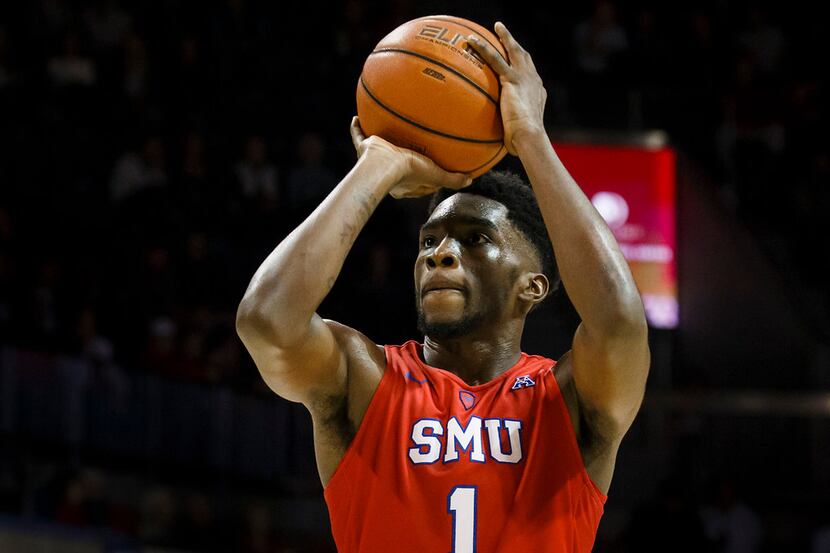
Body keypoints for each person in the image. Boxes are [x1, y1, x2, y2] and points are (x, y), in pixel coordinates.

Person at [236, 21, 650, 553]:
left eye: (476, 239)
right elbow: (265, 321)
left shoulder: (566, 398)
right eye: (429, 241)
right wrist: (378, 166)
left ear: (534, 286)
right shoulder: (365, 378)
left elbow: (618, 323)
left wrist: (531, 138)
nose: (440, 253)